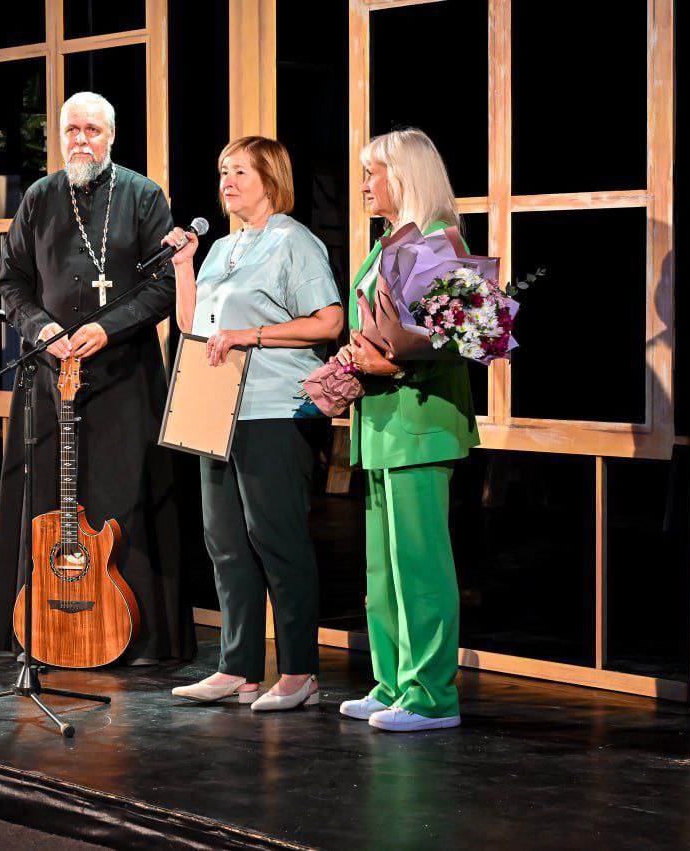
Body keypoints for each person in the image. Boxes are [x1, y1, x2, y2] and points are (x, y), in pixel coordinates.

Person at [0, 92, 195, 665]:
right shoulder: (39, 197)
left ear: (111, 137)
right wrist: (42, 330)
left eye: (92, 130)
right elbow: (11, 283)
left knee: (123, 499)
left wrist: (108, 328)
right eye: (71, 130)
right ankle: (40, 627)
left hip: (124, 375)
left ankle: (139, 639)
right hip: (50, 376)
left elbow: (163, 286)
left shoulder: (144, 196)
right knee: (46, 493)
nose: (81, 140)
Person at [163, 136, 343, 710]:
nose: (228, 182)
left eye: (240, 171)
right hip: (216, 409)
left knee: (277, 540)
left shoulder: (296, 242)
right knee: (225, 542)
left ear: (271, 178)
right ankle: (237, 668)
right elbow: (194, 326)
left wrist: (252, 335)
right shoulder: (221, 248)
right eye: (222, 172)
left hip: (272, 408)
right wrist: (186, 267)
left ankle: (299, 673)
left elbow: (329, 323)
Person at [335, 129, 478, 732]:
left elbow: (464, 337)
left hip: (419, 422)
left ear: (405, 177)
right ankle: (393, 681)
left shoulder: (439, 243)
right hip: (381, 421)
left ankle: (431, 695)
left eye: (374, 172)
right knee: (382, 566)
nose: (365, 184)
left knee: (419, 563)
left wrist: (390, 360)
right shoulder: (385, 244)